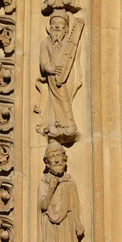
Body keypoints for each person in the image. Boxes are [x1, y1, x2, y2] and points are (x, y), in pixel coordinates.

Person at [37, 10, 83, 143]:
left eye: (61, 24)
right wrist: (51, 69)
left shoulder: (68, 44)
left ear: (67, 28)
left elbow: (71, 55)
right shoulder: (46, 43)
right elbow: (44, 61)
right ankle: (68, 124)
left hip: (66, 76)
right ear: (49, 27)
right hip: (53, 76)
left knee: (65, 98)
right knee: (60, 98)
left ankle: (65, 125)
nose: (57, 27)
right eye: (54, 24)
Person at [37, 141, 84, 242]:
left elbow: (75, 205)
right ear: (47, 163)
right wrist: (51, 188)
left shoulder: (69, 182)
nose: (56, 160)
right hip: (50, 226)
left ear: (64, 159)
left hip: (67, 224)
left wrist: (78, 223)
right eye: (52, 157)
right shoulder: (44, 182)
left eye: (58, 155)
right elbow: (43, 205)